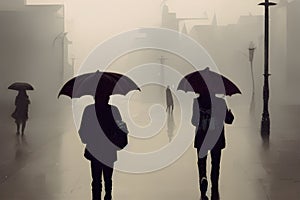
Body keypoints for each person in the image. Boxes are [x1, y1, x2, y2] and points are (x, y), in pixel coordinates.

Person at [79, 93, 128, 200]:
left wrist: (89, 139)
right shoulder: (114, 110)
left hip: (94, 150)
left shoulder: (89, 111)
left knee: (96, 180)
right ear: (108, 97)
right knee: (108, 179)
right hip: (109, 150)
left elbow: (82, 131)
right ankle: (108, 196)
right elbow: (120, 129)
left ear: (94, 98)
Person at [192, 94, 233, 200]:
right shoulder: (220, 102)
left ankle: (203, 178)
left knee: (201, 162)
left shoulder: (197, 101)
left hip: (202, 137)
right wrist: (229, 114)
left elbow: (193, 121)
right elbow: (228, 120)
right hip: (216, 138)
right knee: (215, 163)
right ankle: (214, 185)